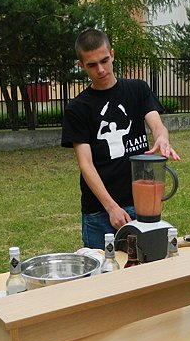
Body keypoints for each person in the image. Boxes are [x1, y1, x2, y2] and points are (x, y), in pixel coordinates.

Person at [61, 29, 180, 249]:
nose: (101, 69)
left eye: (104, 60)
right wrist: (111, 207)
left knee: (147, 264)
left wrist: (162, 138)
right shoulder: (77, 108)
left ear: (113, 55)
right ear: (81, 65)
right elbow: (86, 164)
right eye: (92, 65)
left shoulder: (138, 90)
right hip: (99, 212)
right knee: (103, 269)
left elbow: (157, 125)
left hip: (141, 204)